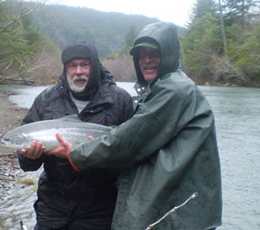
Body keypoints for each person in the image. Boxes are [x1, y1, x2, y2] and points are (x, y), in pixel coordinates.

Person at [49, 22, 222, 230]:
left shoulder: (176, 90)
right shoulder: (160, 89)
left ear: (169, 54)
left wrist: (77, 153)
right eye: (141, 55)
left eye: (154, 53)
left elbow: (130, 140)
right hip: (177, 209)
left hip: (181, 212)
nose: (147, 60)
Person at [17, 40, 134, 230]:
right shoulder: (46, 100)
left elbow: (131, 156)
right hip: (52, 207)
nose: (78, 71)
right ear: (66, 70)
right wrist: (29, 158)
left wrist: (92, 155)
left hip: (100, 210)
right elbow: (27, 165)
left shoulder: (120, 101)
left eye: (85, 65)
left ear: (95, 67)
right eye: (72, 66)